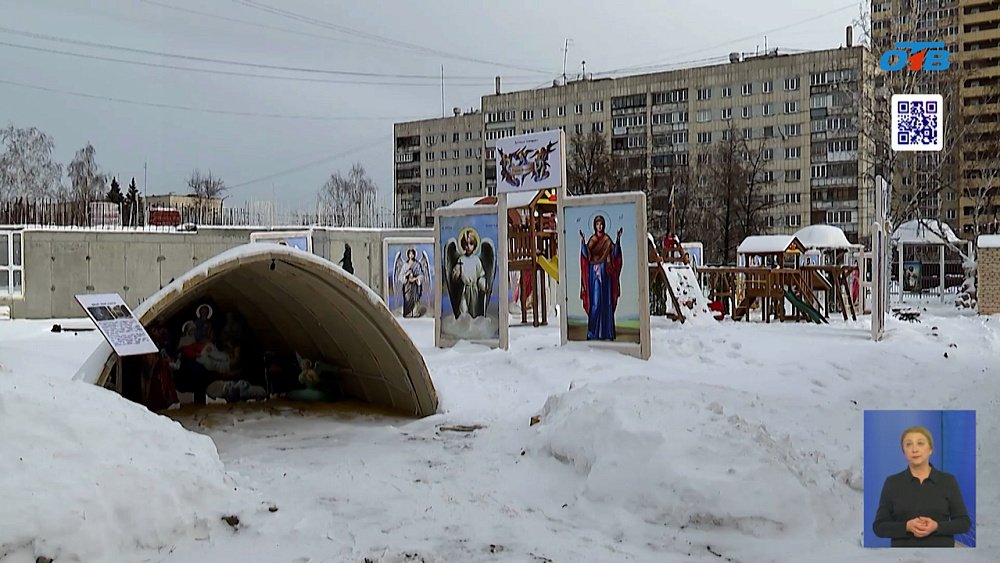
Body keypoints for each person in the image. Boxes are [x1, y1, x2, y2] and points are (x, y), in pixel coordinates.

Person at [872, 426, 971, 547]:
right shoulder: (892, 482)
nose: (914, 449)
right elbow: (879, 527)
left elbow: (964, 523)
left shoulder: (948, 481)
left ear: (930, 449)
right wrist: (906, 526)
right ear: (904, 452)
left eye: (920, 443)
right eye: (908, 444)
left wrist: (937, 526)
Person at [579, 215, 623, 340]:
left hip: (606, 274)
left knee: (607, 303)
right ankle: (593, 333)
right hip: (595, 275)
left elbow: (615, 254)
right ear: (595, 226)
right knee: (596, 303)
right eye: (598, 224)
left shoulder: (607, 240)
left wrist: (618, 239)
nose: (600, 226)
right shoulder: (592, 240)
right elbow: (586, 255)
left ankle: (607, 333)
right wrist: (582, 242)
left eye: (602, 224)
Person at [452, 230, 488, 318]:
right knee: (463, 311)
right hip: (464, 291)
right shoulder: (461, 259)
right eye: (466, 244)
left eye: (471, 244)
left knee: (473, 312)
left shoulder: (476, 260)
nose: (468, 247)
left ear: (474, 245)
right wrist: (457, 273)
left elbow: (481, 275)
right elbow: (454, 278)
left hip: (474, 291)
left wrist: (482, 284)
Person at [400, 248, 424, 317]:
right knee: (407, 298)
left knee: (415, 298)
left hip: (414, 285)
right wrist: (406, 275)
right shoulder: (405, 265)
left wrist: (416, 278)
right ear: (408, 255)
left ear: (414, 255)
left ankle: (415, 312)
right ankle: (408, 313)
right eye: (410, 254)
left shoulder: (417, 264)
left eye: (412, 254)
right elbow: (401, 275)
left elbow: (421, 274)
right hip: (407, 285)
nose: (411, 255)